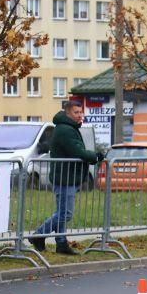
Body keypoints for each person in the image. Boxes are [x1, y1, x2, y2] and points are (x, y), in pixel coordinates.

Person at [31, 100, 103, 255]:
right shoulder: (65, 130)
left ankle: (61, 243)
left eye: (81, 112)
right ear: (68, 113)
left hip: (66, 175)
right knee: (65, 214)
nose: (80, 115)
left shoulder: (68, 127)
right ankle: (38, 235)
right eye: (76, 112)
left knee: (62, 212)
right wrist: (95, 156)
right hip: (65, 177)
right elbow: (77, 151)